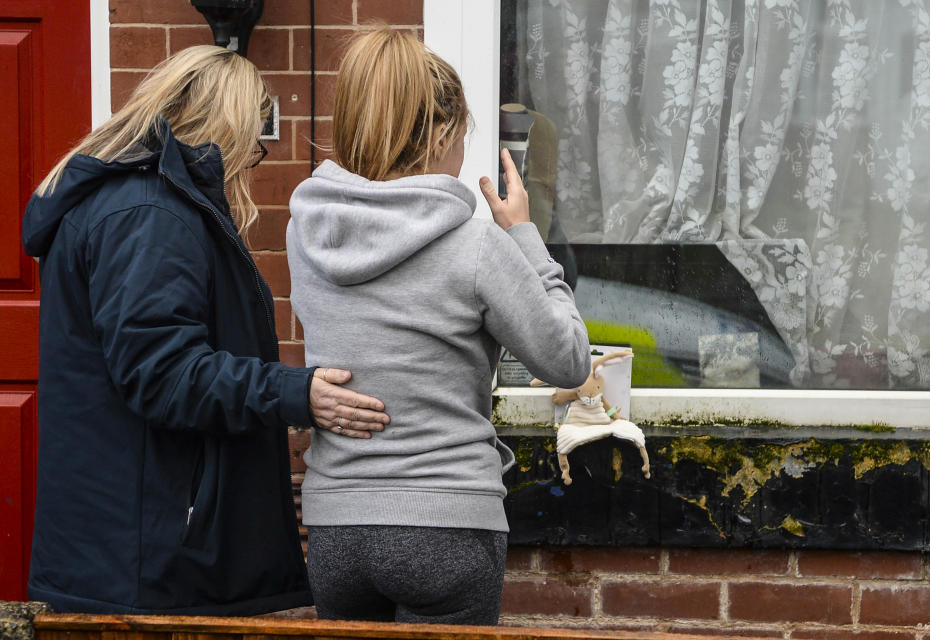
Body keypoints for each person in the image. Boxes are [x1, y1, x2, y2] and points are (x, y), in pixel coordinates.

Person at [21, 45, 390, 615]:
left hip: (138, 553)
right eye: (253, 138)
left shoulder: (138, 206)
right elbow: (163, 374)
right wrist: (293, 394)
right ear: (223, 124)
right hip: (149, 563)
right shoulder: (149, 215)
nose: (251, 158)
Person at [287, 28, 591, 626]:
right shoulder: (474, 243)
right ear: (442, 134)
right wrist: (525, 237)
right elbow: (567, 360)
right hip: (445, 519)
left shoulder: (306, 232)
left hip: (335, 526)